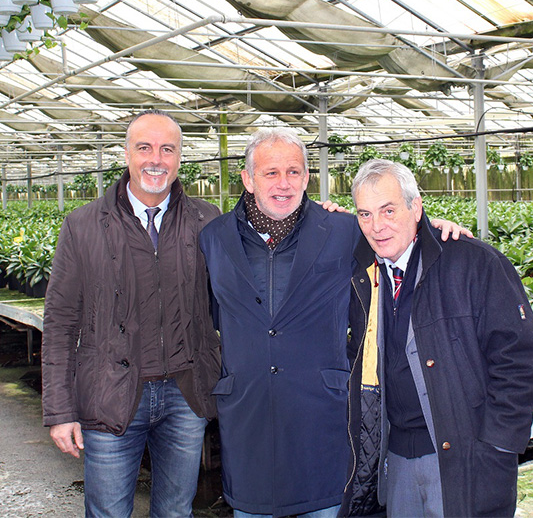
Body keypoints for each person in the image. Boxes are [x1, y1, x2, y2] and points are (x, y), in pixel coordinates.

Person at [199, 127, 469, 518]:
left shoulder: (341, 229)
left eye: (294, 172)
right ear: (247, 178)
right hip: (249, 421)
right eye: (270, 173)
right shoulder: (214, 238)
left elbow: (392, 236)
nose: (284, 183)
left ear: (308, 178)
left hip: (322, 420)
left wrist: (432, 226)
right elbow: (210, 312)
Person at [343, 159, 533, 518]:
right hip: (397, 461)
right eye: (364, 214)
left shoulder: (474, 263)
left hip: (463, 457)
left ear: (416, 206)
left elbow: (524, 361)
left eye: (388, 210)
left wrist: (496, 444)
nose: (377, 226)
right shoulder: (362, 274)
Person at [42, 110, 221, 518]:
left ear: (179, 158)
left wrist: (318, 218)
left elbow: (257, 258)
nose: (155, 159)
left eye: (167, 149)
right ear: (126, 153)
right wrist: (60, 410)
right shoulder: (83, 225)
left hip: (185, 394)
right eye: (144, 148)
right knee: (107, 512)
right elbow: (60, 322)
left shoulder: (206, 221)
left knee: (176, 512)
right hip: (109, 394)